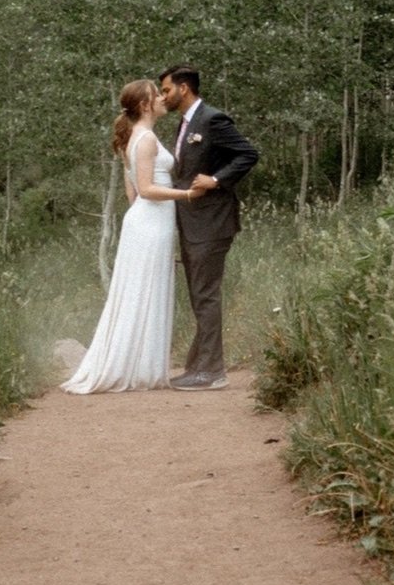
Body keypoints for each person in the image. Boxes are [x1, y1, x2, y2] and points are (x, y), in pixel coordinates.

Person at [62, 79, 210, 394]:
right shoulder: (145, 140)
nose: (161, 98)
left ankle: (141, 364)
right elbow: (144, 190)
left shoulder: (138, 138)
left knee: (144, 289)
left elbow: (132, 195)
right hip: (150, 221)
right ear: (145, 105)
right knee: (143, 290)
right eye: (156, 95)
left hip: (147, 222)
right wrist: (187, 195)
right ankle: (136, 366)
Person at [158, 64, 260, 390]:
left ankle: (213, 371)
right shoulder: (186, 124)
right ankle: (198, 365)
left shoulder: (212, 119)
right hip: (192, 223)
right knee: (199, 295)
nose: (164, 96)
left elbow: (247, 154)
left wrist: (216, 180)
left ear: (184, 88)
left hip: (213, 222)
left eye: (166, 90)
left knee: (206, 295)